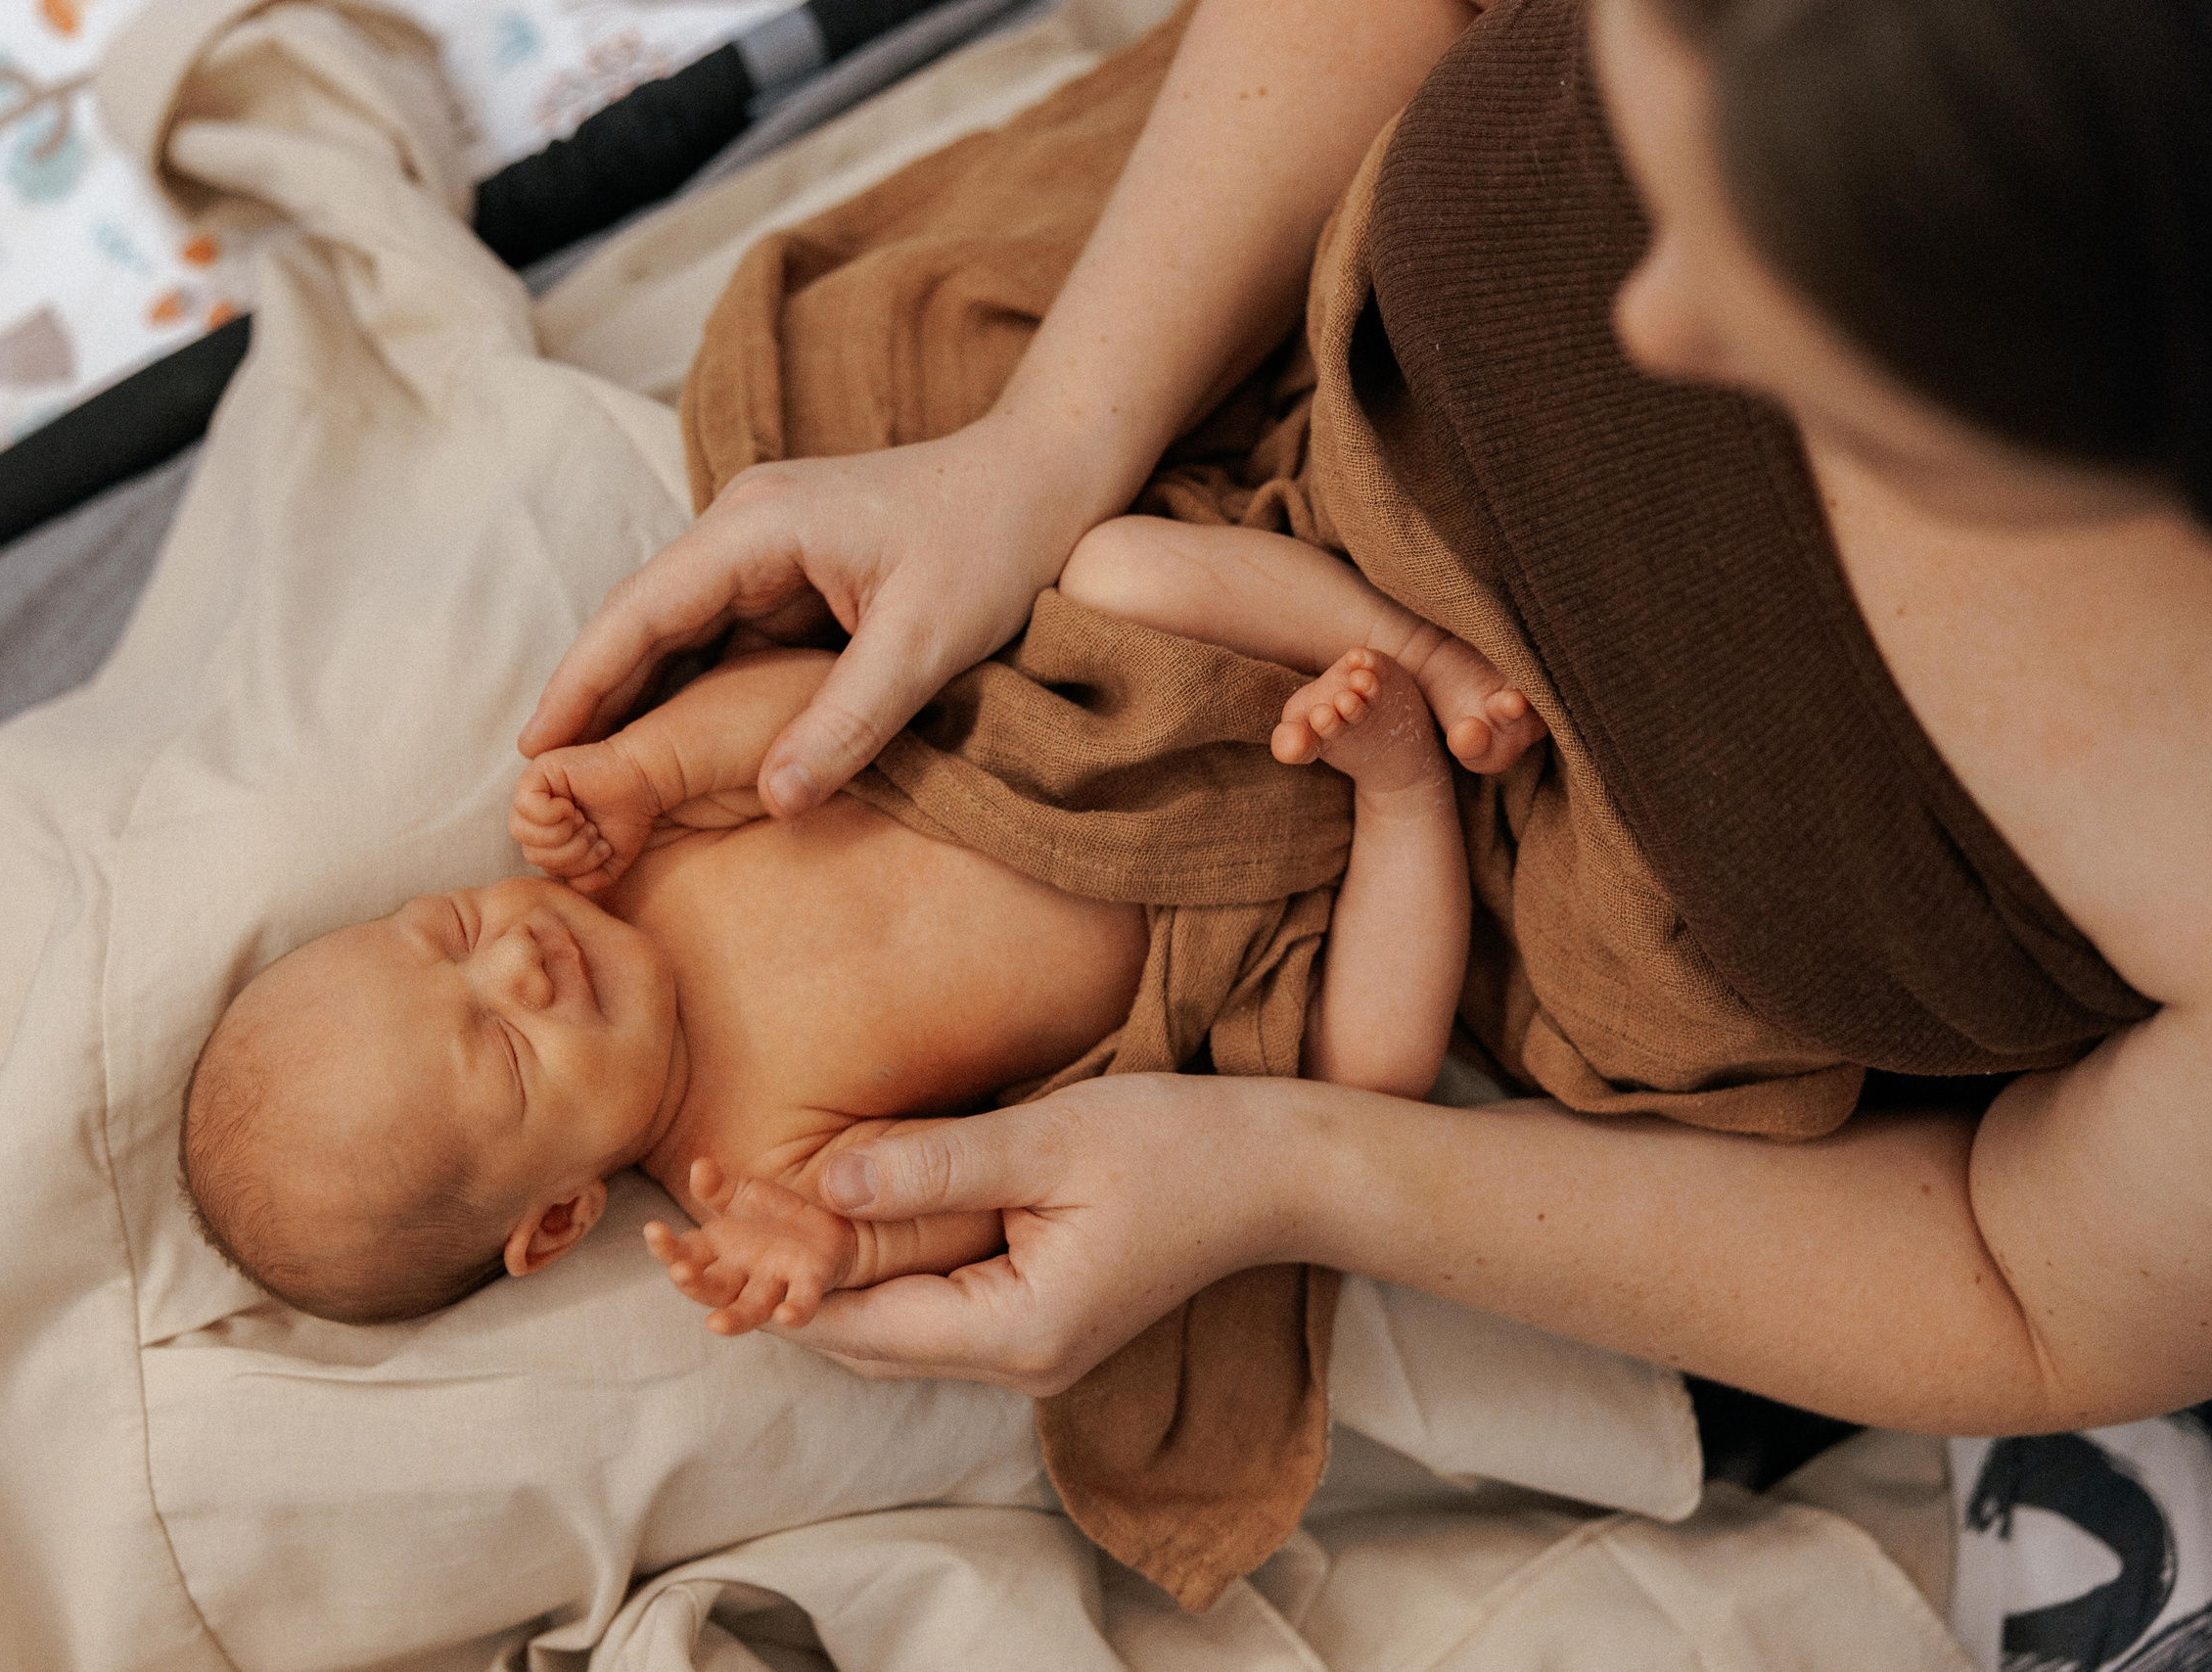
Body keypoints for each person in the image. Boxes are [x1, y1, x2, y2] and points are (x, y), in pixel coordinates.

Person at [520, 0, 2212, 1441]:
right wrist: (1044, 449)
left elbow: (2031, 1291)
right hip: (1264, 511)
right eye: (1622, 105)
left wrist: (1292, 1174)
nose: (1650, 318)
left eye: (1827, 341)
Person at [178, 521, 1527, 1329]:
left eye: (448, 931)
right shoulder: (746, 1165)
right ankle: (1405, 781)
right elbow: (966, 1194)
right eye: (506, 1051)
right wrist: (843, 1249)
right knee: (1370, 1082)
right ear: (558, 1218)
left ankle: (1415, 653)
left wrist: (650, 767)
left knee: (1121, 565)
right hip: (1226, 947)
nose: (515, 962)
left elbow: (812, 714)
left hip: (1103, 732)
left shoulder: (634, 867)